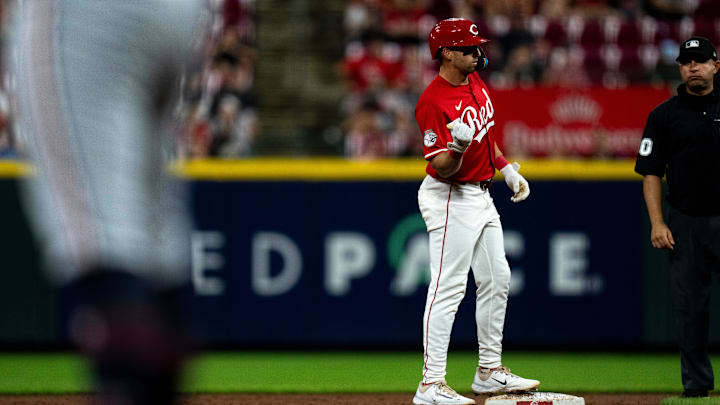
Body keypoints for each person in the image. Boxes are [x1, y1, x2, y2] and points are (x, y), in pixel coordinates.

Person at [6, 1, 208, 404]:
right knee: (155, 247)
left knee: (105, 240)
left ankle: (127, 385)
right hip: (180, 15)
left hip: (84, 15)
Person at [412, 18, 539, 405]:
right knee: (447, 289)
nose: (476, 53)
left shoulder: (475, 82)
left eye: (476, 46)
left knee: (498, 277)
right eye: (468, 48)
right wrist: (459, 149)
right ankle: (430, 384)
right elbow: (442, 167)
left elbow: (487, 136)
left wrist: (507, 168)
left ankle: (488, 371)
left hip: (481, 194)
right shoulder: (432, 102)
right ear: (447, 53)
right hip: (450, 194)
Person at [635, 36, 720, 399]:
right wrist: (657, 222)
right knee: (690, 309)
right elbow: (651, 172)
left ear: (716, 65)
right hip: (686, 221)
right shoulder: (664, 115)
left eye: (700, 61)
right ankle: (698, 386)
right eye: (687, 62)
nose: (693, 67)